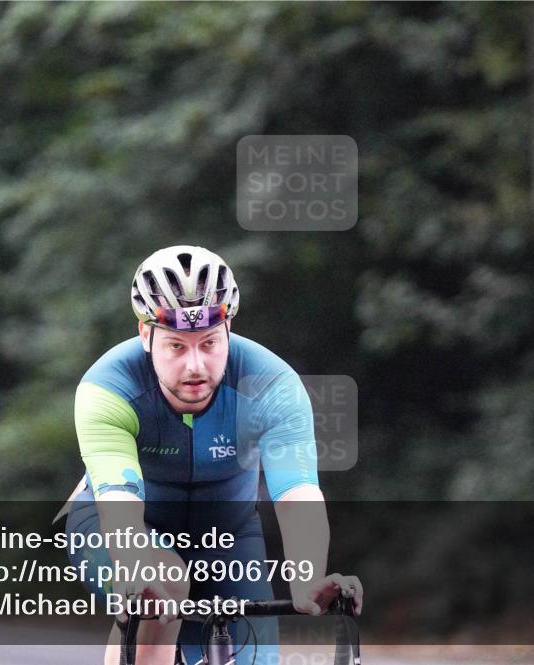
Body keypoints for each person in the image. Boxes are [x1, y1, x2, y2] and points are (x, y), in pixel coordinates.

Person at [64, 245, 362, 665]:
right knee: (162, 585)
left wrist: (308, 579)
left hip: (228, 534)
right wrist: (135, 571)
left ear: (229, 328)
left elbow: (297, 495)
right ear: (145, 335)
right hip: (116, 521)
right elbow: (120, 505)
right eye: (176, 347)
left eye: (208, 343)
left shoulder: (272, 384)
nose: (195, 366)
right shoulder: (108, 388)